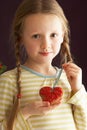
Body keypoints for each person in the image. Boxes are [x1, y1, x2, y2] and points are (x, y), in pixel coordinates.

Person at [0, 0, 87, 130]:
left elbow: (83, 126)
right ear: (20, 37)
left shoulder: (69, 80)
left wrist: (78, 90)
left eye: (53, 35)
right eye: (36, 36)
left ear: (62, 35)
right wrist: (26, 112)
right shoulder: (9, 81)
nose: (46, 45)